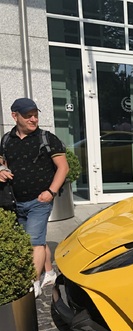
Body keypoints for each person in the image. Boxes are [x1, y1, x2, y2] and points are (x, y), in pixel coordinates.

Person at [0, 98, 69, 297]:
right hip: (15, 201)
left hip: (40, 201)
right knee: (36, 238)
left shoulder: (47, 138)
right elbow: (1, 160)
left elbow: (63, 167)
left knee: (34, 242)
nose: (33, 119)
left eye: (35, 115)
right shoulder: (6, 139)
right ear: (15, 116)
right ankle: (49, 273)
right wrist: (2, 169)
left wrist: (51, 192)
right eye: (28, 115)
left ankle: (33, 282)